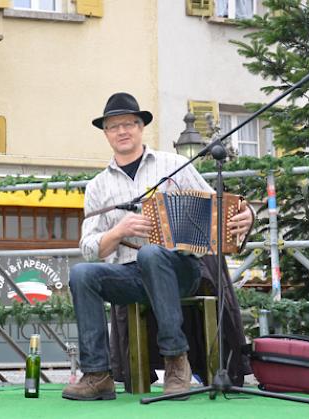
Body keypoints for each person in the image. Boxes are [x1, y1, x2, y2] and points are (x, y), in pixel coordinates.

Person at [61, 93, 253, 401]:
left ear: (140, 128)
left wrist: (247, 214)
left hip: (181, 270)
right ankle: (97, 374)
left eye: (128, 124)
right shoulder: (98, 186)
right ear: (106, 134)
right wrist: (118, 231)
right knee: (83, 273)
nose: (122, 131)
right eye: (114, 126)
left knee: (152, 252)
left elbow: (217, 205)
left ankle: (176, 361)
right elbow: (87, 247)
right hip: (131, 274)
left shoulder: (174, 164)